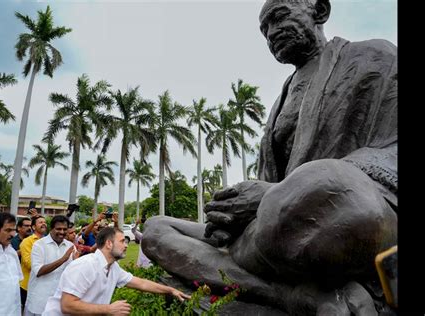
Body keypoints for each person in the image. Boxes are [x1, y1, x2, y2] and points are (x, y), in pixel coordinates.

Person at [142, 0, 397, 314]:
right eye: (264, 30)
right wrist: (235, 214)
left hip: (340, 214)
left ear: (319, 11)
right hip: (273, 231)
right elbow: (270, 189)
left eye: (278, 18)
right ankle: (292, 297)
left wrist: (273, 195)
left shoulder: (374, 58)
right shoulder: (283, 98)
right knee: (155, 231)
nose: (271, 33)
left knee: (326, 183)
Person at [42, 227, 190, 315]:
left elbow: (142, 284)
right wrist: (108, 309)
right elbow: (67, 305)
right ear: (108, 243)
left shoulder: (113, 267)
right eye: (122, 241)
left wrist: (170, 290)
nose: (126, 245)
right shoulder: (84, 266)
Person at [24, 215, 77, 316]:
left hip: (59, 302)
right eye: (58, 229)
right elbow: (38, 271)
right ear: (51, 229)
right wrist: (63, 259)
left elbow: (71, 274)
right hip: (39, 302)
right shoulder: (39, 245)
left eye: (65, 229)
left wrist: (76, 263)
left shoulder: (70, 246)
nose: (62, 232)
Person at [19, 215, 47, 312]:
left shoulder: (48, 241)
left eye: (45, 222)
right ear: (34, 227)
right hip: (27, 286)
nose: (44, 224)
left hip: (44, 284)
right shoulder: (26, 242)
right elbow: (30, 264)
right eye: (40, 222)